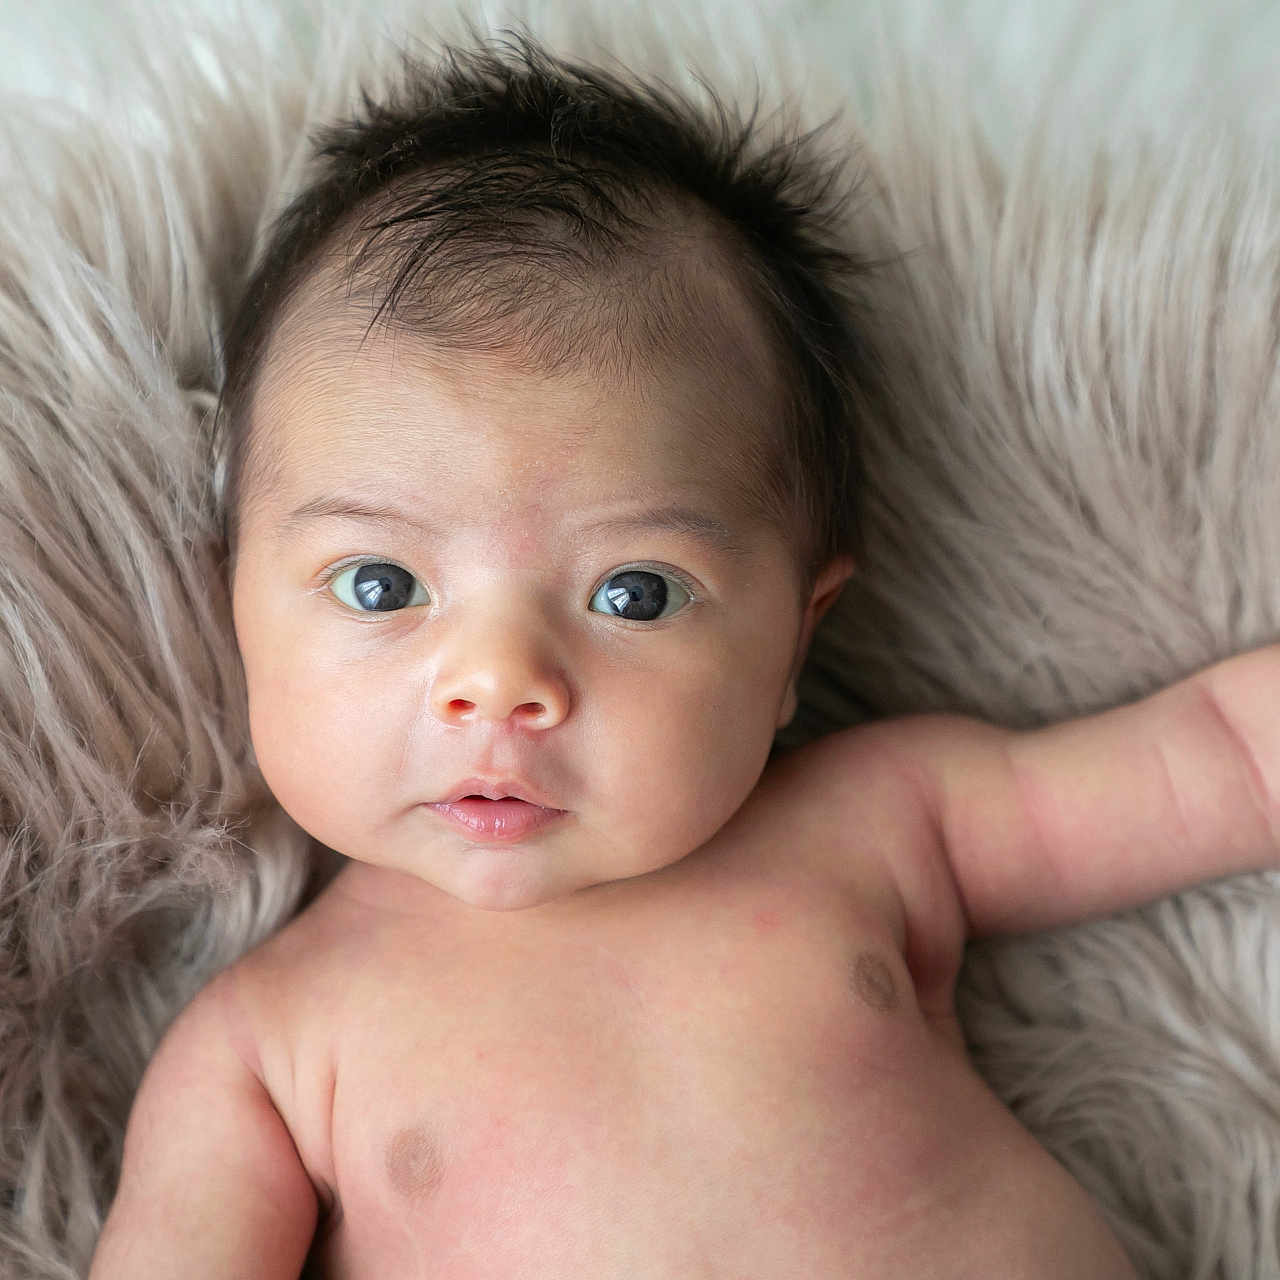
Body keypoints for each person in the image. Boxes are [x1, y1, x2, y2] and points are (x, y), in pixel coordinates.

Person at [89, 33, 1278, 1279]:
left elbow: (1223, 759)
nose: (498, 681)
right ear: (230, 599)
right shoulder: (263, 1046)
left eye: (633, 590)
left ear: (790, 645)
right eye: (381, 584)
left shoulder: (877, 819)